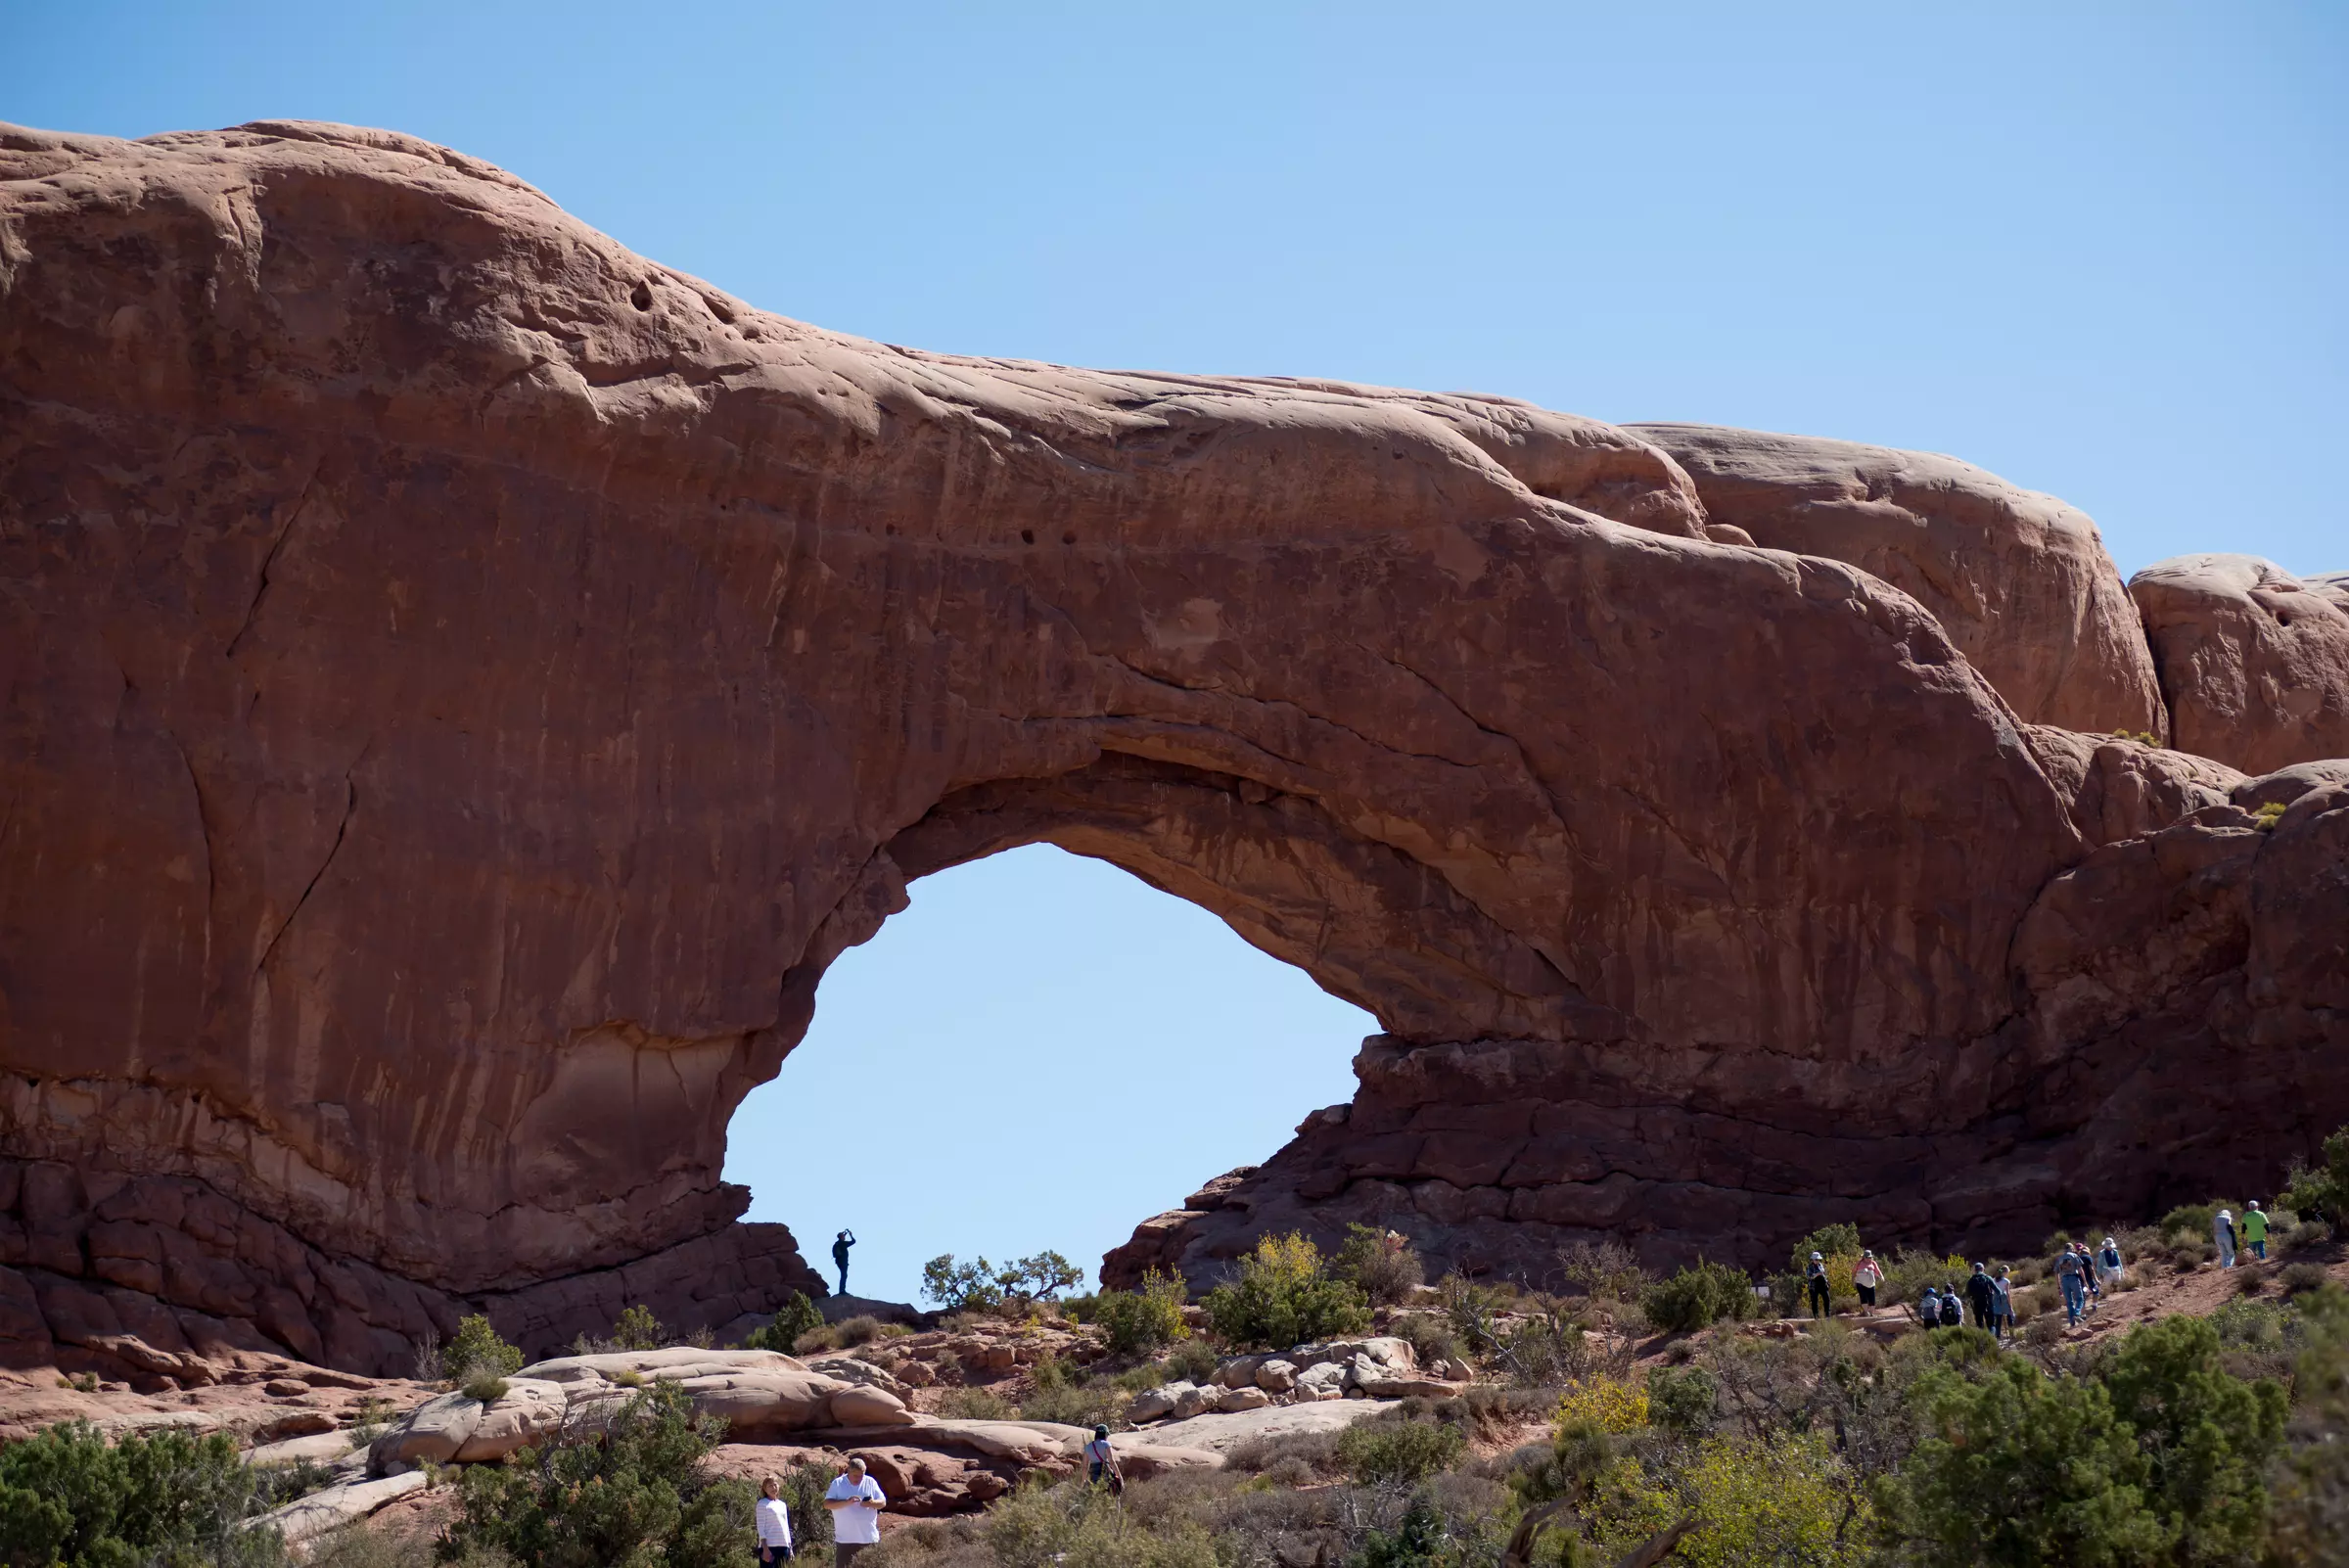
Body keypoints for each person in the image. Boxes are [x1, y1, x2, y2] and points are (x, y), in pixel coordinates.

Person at [823, 1456, 886, 1564]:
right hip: (845, 1540)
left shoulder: (870, 1482)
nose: (859, 1479)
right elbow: (827, 1504)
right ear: (848, 1471)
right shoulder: (838, 1483)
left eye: (861, 1475)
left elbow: (882, 1503)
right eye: (855, 1475)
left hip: (869, 1539)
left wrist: (871, 1503)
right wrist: (846, 1502)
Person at [756, 1474, 796, 1564]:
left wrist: (790, 1548)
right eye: (770, 1486)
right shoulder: (762, 1504)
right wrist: (765, 1548)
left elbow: (786, 1527)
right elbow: (760, 1528)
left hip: (783, 1546)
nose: (773, 1488)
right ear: (765, 1489)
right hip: (769, 1547)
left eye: (775, 1485)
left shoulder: (782, 1505)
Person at [1082, 1424, 1122, 1492]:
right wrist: (1120, 1477)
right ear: (1105, 1434)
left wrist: (1083, 1481)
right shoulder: (1106, 1444)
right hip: (1105, 1476)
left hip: (1093, 1477)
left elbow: (1085, 1466)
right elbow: (1111, 1462)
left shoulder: (1088, 1447)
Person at [2056, 1242, 2087, 1326]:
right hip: (2074, 1278)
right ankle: (2077, 1313)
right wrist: (2084, 1281)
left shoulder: (2059, 1259)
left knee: (2069, 1302)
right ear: (2072, 1248)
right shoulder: (2074, 1256)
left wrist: (2058, 1286)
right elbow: (2080, 1269)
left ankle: (2072, 1322)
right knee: (2080, 1298)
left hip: (2064, 1281)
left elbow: (2056, 1273)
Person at [1964, 1262, 1998, 1330]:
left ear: (1975, 1270)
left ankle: (1982, 1339)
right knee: (1991, 1324)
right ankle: (1992, 1339)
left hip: (1977, 1304)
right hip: (1988, 1304)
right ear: (1982, 1269)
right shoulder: (1988, 1278)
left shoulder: (1971, 1280)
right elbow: (1998, 1291)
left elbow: (1967, 1294)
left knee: (1979, 1324)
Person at [1992, 1266, 2015, 1343]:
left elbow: (1992, 1292)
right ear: (2005, 1272)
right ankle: (2012, 1335)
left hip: (1995, 1299)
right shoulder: (2006, 1281)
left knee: (1998, 1319)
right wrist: (2011, 1306)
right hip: (2004, 1299)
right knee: (2010, 1316)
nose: (2008, 1274)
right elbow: (2008, 1294)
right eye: (2008, 1272)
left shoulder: (1993, 1280)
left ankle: (1997, 1336)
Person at [1805, 1251, 1830, 1318]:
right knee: (1814, 1301)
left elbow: (1824, 1274)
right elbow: (1809, 1276)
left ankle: (1827, 1314)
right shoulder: (1809, 1267)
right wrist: (1817, 1274)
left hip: (1822, 1284)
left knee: (1827, 1298)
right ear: (1813, 1259)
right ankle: (1816, 1316)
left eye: (1818, 1259)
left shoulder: (1821, 1265)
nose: (1817, 1261)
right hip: (1814, 1285)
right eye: (1816, 1259)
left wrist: (1827, 1282)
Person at [832, 1229, 856, 1296]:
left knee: (843, 1275)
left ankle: (842, 1290)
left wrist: (844, 1234)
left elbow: (841, 1238)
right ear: (842, 1237)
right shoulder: (843, 1243)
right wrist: (851, 1235)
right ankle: (842, 1291)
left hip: (839, 1262)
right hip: (843, 1262)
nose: (844, 1237)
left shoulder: (837, 1243)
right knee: (844, 1275)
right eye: (843, 1236)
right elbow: (853, 1241)